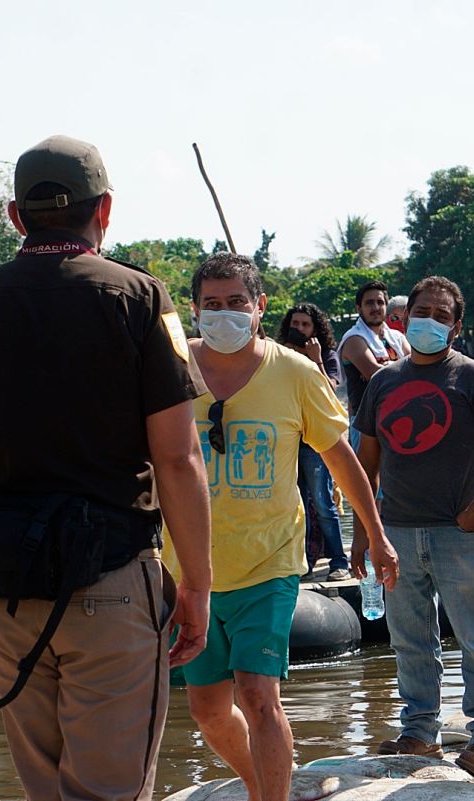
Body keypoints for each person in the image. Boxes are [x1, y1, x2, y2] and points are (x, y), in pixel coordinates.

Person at [0, 135, 212, 801]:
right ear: (103, 210)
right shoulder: (139, 298)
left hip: (3, 593)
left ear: (16, 215)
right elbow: (177, 456)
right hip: (111, 578)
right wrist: (196, 582)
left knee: (42, 787)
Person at [174, 253, 398, 801]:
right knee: (206, 709)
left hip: (267, 561)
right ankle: (259, 783)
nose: (222, 314)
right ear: (194, 308)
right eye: (211, 305)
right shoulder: (171, 367)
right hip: (184, 568)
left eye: (235, 303)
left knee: (257, 692)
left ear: (260, 306)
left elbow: (340, 457)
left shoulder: (295, 373)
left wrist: (374, 533)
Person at [352, 275, 474, 779]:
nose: (430, 319)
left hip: (459, 535)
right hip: (398, 534)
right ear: (405, 319)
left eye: (442, 314)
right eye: (422, 310)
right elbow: (366, 463)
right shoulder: (384, 381)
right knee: (409, 639)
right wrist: (366, 530)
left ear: (456, 326)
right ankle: (419, 733)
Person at [277, 303, 349, 580]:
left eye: (305, 325)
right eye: (295, 324)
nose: (300, 330)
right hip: (288, 439)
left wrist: (315, 358)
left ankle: (339, 562)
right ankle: (305, 560)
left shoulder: (327, 355)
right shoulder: (280, 356)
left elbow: (329, 391)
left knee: (322, 502)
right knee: (297, 504)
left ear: (315, 329)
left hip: (316, 442)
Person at [339, 280, 410, 435]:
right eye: (369, 303)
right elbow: (376, 374)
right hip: (366, 426)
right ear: (359, 308)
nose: (376, 308)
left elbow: (416, 368)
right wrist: (401, 364)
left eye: (380, 302)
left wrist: (390, 364)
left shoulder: (396, 337)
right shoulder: (354, 339)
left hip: (398, 419)